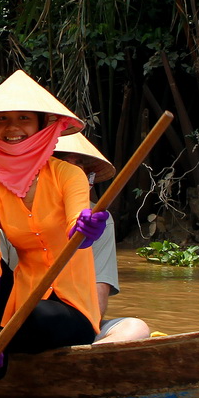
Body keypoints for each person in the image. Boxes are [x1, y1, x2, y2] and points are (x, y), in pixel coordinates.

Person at [0, 71, 150, 378]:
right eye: (2, 119)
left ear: (40, 126)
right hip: (19, 303)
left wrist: (87, 229)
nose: (12, 127)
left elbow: (79, 220)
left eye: (24, 117)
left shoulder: (68, 175)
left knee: (37, 317)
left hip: (68, 309)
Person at [53, 133, 152, 340]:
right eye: (63, 163)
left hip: (74, 322)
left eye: (79, 166)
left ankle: (85, 362)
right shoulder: (12, 208)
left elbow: (98, 296)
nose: (72, 174)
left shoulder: (99, 220)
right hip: (19, 321)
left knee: (136, 328)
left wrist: (80, 332)